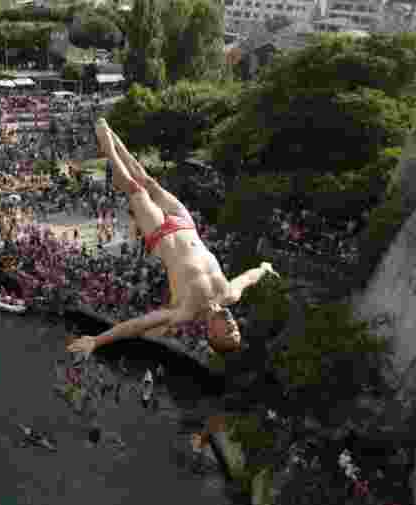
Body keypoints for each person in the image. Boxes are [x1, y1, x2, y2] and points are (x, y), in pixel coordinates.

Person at [67, 120, 280, 357]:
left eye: (229, 333)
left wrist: (97, 341)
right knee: (148, 180)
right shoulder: (230, 293)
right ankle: (114, 136)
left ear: (211, 334)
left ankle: (106, 143)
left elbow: (137, 325)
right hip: (185, 223)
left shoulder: (185, 312)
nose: (233, 326)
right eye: (237, 331)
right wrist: (264, 267)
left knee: (134, 187)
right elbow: (249, 277)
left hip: (161, 236)